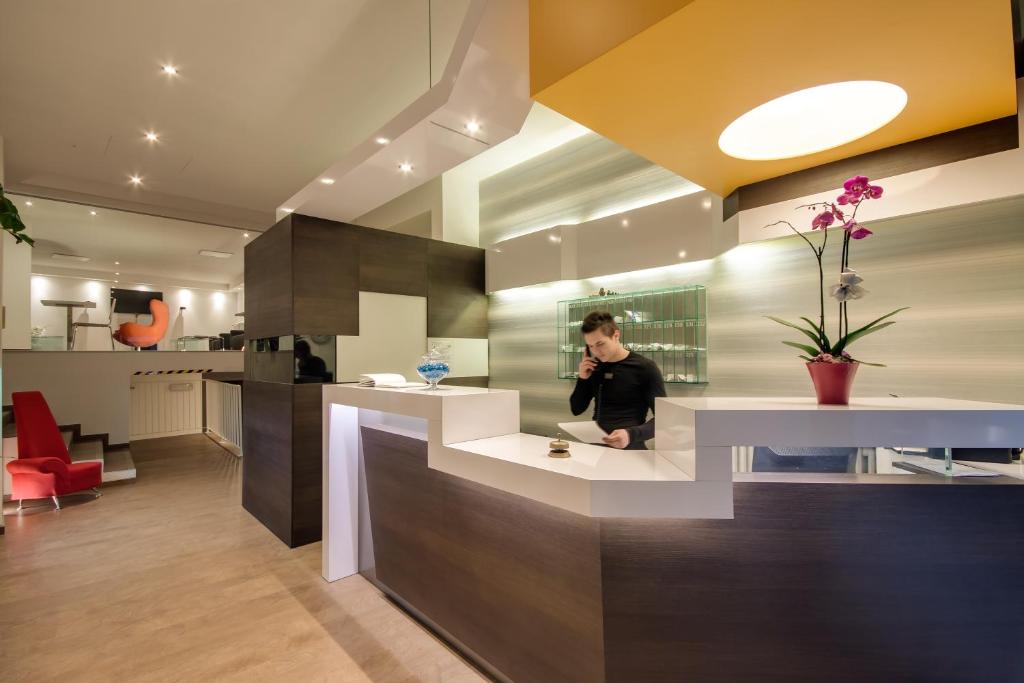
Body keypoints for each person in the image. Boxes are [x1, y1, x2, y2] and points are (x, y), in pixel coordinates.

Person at [569, 311, 666, 450]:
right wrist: (583, 379)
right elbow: (576, 409)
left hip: (630, 448)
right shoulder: (595, 367)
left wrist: (630, 435)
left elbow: (664, 419)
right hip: (597, 447)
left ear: (616, 335)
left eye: (600, 343)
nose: (596, 351)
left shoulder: (645, 368)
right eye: (590, 346)